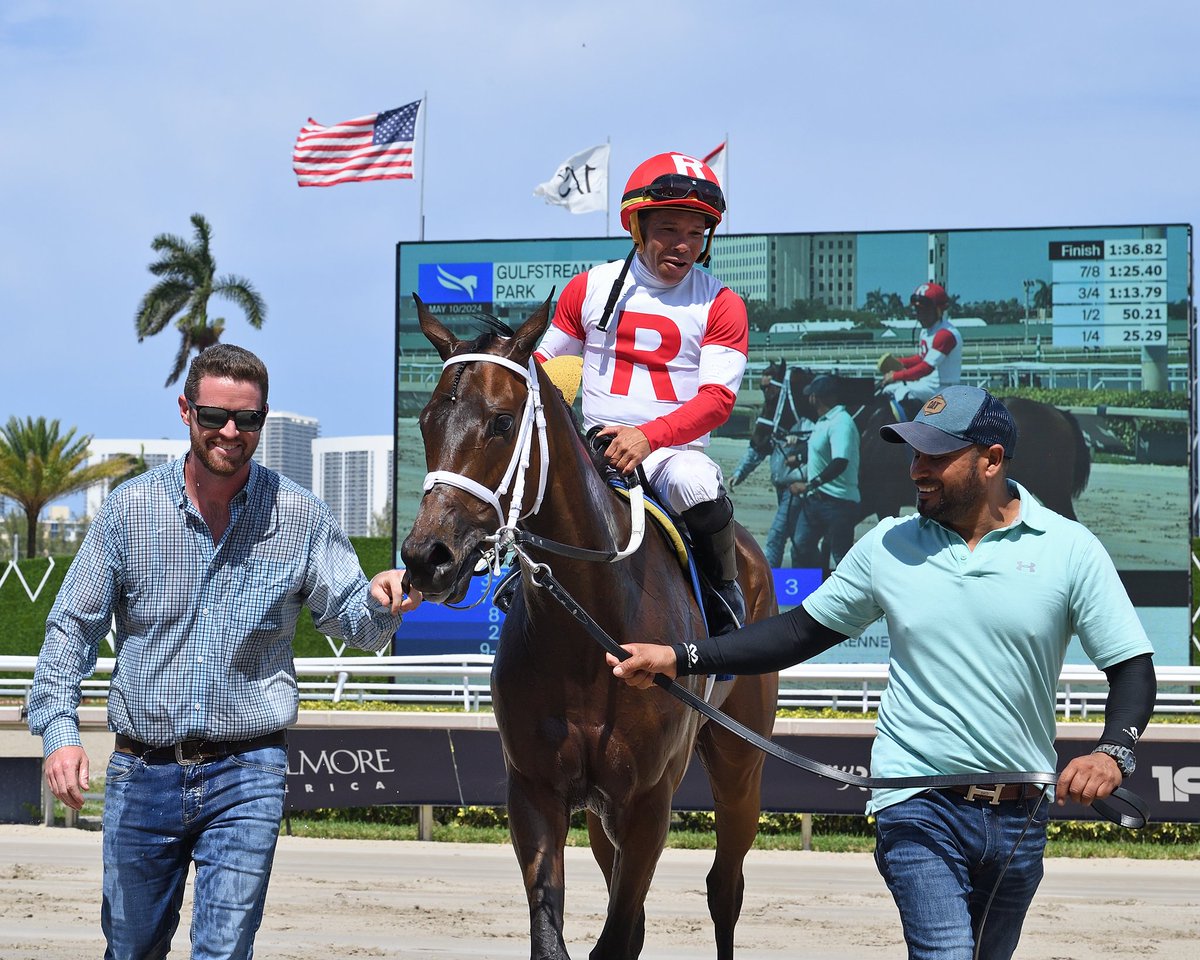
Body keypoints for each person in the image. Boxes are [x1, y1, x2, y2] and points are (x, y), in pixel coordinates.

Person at [606, 385, 1156, 960]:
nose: (915, 468)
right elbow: (796, 634)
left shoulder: (1071, 549)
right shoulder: (887, 545)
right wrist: (681, 656)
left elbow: (1132, 668)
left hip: (1021, 816)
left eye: (935, 457)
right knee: (943, 953)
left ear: (991, 461)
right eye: (913, 453)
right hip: (914, 802)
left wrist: (1111, 752)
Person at [28, 344, 423, 960]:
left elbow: (357, 622)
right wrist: (60, 735)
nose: (230, 432)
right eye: (214, 416)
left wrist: (383, 598)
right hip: (140, 772)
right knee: (130, 948)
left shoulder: (299, 516)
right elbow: (69, 632)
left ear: (265, 418)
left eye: (248, 419)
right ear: (186, 411)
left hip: (248, 771)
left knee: (225, 949)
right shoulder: (128, 512)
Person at [534, 150, 749, 632]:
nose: (683, 246)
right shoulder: (587, 288)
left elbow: (717, 401)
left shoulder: (723, 304)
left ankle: (723, 602)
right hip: (591, 448)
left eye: (696, 233)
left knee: (698, 485)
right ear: (638, 227)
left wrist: (648, 437)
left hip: (672, 453)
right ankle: (508, 579)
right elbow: (544, 366)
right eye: (670, 229)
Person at [787, 374, 860, 568]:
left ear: (816, 397)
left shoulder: (841, 422)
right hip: (815, 501)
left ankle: (851, 596)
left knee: (841, 557)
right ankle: (807, 595)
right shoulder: (823, 421)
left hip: (839, 503)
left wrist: (809, 484)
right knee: (800, 547)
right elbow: (821, 451)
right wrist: (799, 458)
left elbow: (840, 461)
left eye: (810, 395)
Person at [880, 281, 962, 418]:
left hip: (943, 389)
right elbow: (922, 358)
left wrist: (895, 376)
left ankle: (917, 434)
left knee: (902, 394)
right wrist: (900, 362)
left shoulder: (945, 334)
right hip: (927, 385)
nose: (919, 315)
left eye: (924, 311)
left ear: (938, 310)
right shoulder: (926, 331)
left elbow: (925, 368)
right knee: (887, 390)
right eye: (917, 311)